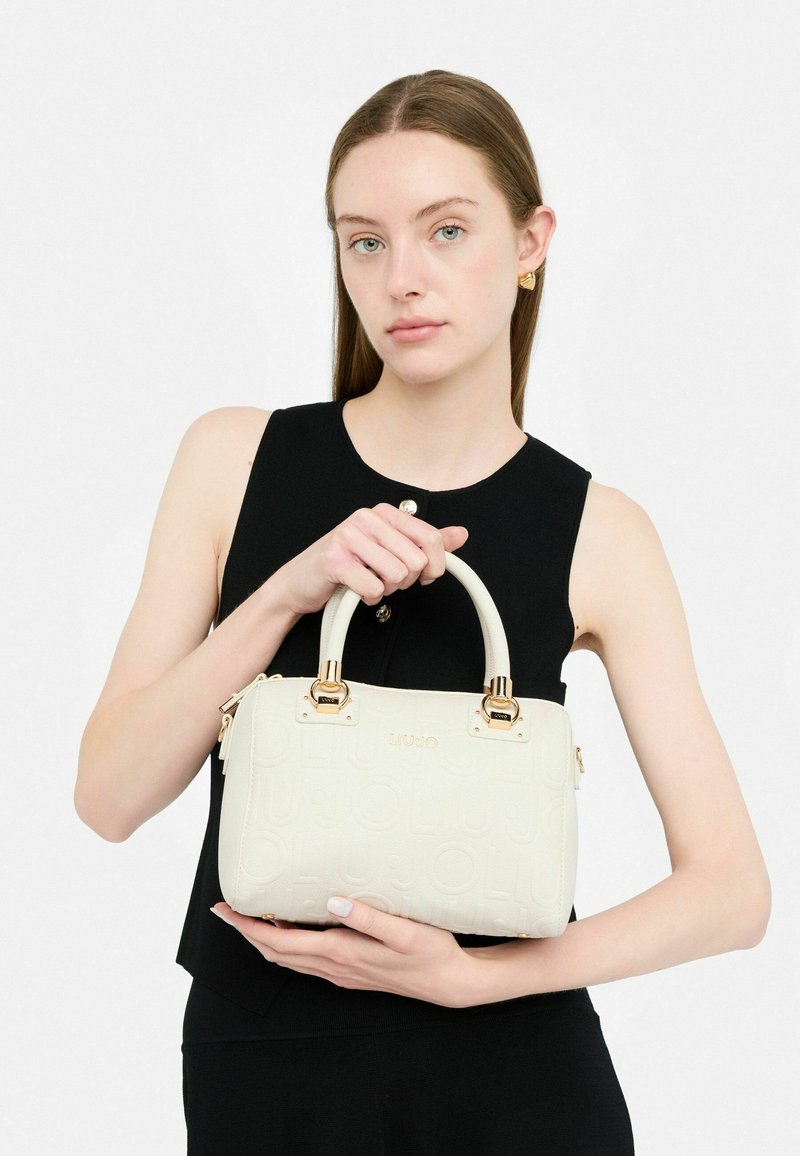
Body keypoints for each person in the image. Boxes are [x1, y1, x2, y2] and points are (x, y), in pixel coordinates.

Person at [75, 69, 771, 1155]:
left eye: (447, 231)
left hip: (520, 1075)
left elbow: (731, 892)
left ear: (530, 243)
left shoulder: (601, 531)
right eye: (365, 242)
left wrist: (473, 979)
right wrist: (286, 591)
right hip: (265, 1066)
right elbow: (109, 799)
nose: (402, 277)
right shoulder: (233, 460)